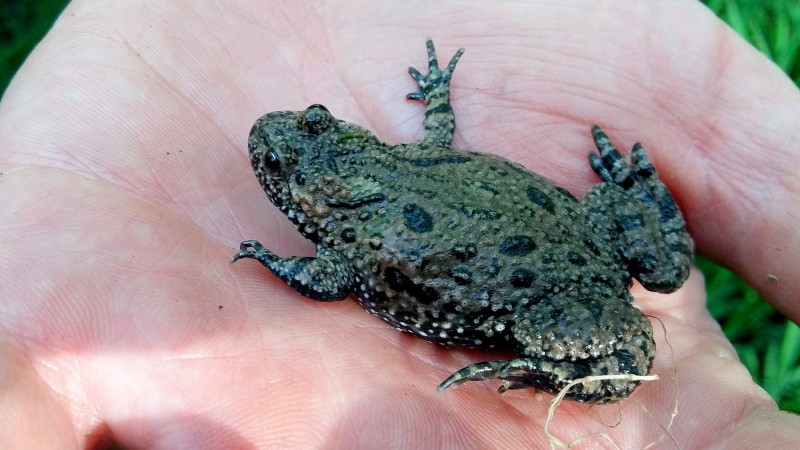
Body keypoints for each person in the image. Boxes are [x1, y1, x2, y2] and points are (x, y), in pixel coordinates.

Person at [1, 1, 798, 448]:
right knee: (640, 248)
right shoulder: (381, 189)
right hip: (582, 232)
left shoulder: (348, 236)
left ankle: (568, 366)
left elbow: (325, 277)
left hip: (560, 285)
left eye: (311, 133)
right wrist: (438, 96)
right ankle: (630, 189)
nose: (280, 142)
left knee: (617, 348)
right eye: (285, 167)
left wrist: (271, 260)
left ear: (347, 144)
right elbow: (429, 151)